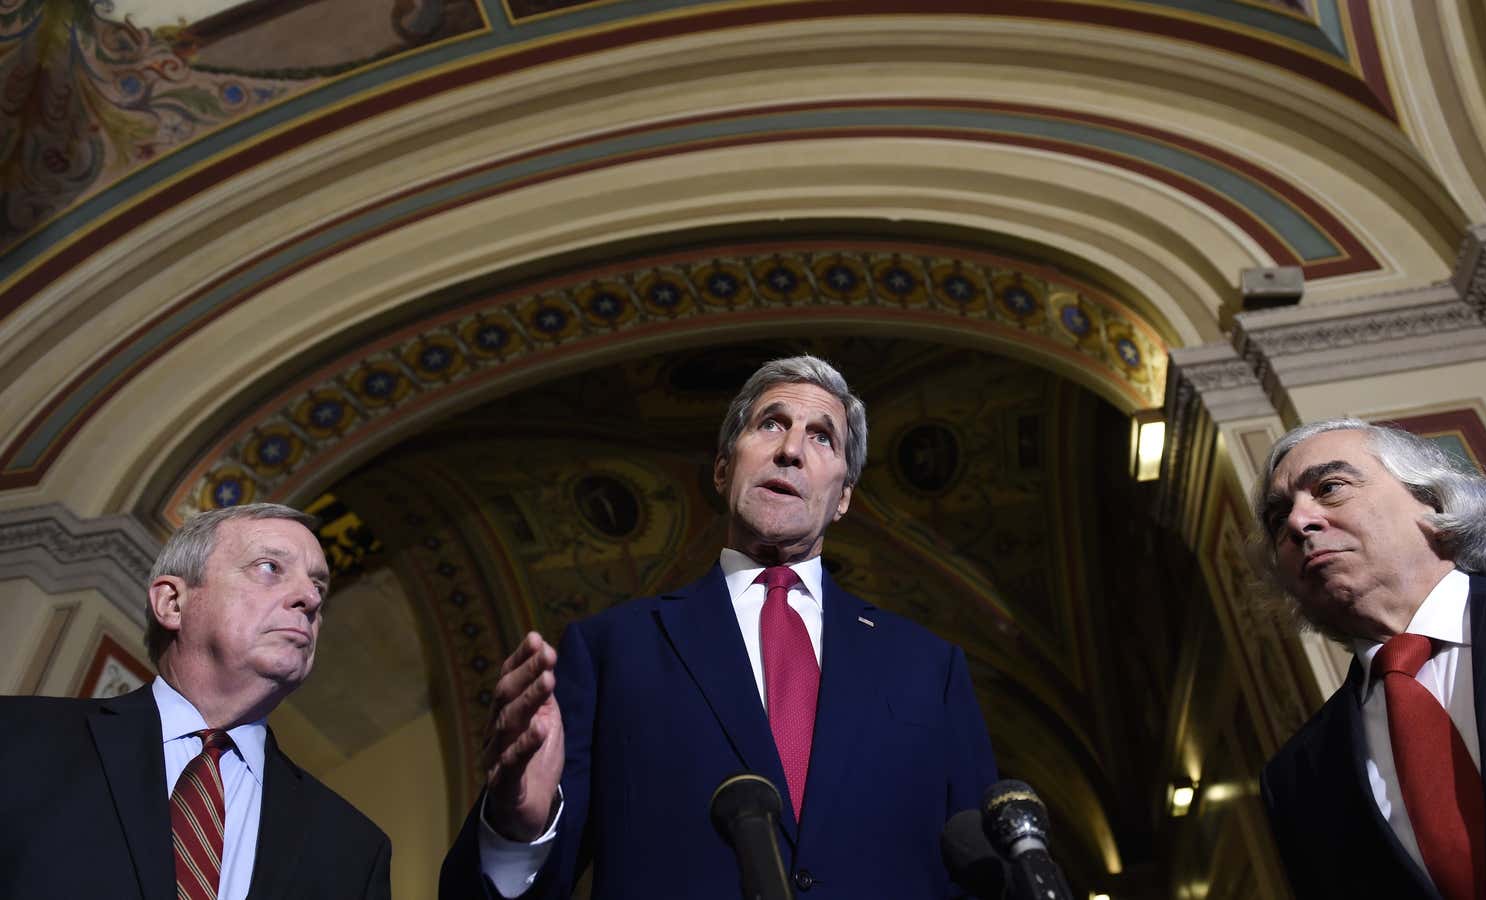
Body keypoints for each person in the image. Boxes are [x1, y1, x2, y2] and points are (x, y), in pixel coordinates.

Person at [441, 355, 998, 899]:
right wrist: (520, 829)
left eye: (823, 437)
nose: (790, 450)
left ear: (844, 498)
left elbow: (983, 874)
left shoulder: (929, 667)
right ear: (723, 467)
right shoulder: (614, 651)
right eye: (770, 423)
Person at [1253, 417, 1486, 900]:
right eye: (1277, 519)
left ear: (1432, 499)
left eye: (1330, 487)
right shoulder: (1295, 778)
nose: (1297, 522)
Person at [0, 503, 391, 898]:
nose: (309, 598)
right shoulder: (18, 739)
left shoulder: (354, 849)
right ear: (173, 602)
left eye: (319, 587)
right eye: (270, 567)